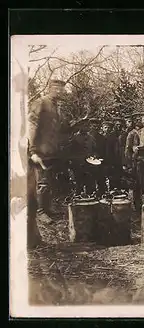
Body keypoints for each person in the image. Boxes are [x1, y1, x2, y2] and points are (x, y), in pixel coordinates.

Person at [27, 79, 67, 247]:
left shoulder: (57, 107)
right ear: (50, 88)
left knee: (48, 183)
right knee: (42, 184)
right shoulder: (41, 102)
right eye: (57, 89)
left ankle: (47, 209)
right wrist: (33, 151)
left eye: (62, 90)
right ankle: (42, 212)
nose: (60, 92)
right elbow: (32, 125)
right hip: (40, 153)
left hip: (52, 153)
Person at [101, 120, 121, 191]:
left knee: (112, 178)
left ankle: (113, 192)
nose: (107, 129)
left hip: (111, 161)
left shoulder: (114, 139)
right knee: (101, 179)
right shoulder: (100, 137)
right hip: (101, 161)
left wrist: (115, 161)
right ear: (102, 128)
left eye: (109, 128)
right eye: (105, 127)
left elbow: (116, 151)